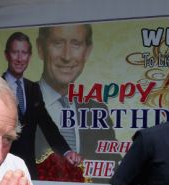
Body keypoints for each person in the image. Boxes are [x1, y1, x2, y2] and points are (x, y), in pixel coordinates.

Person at [35, 24, 120, 171]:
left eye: (76, 44)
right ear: (41, 48)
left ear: (87, 52)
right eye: (57, 43)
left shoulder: (97, 111)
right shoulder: (19, 104)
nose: (67, 56)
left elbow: (113, 171)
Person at [2, 31, 81, 179]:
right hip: (1, 167)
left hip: (28, 168)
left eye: (24, 53)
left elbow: (47, 124)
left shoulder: (33, 88)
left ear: (29, 57)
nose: (20, 59)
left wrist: (66, 151)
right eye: (15, 52)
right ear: (7, 55)